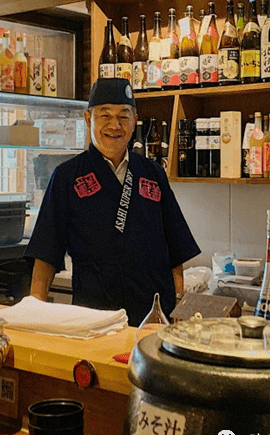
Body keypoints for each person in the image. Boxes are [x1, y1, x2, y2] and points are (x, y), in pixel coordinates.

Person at [25, 78, 201, 326]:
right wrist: (35, 316)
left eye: (124, 115)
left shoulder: (153, 173)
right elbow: (45, 254)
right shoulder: (67, 177)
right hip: (94, 319)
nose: (115, 125)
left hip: (153, 318)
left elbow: (176, 249)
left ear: (134, 120)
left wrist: (178, 307)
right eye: (104, 115)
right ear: (88, 119)